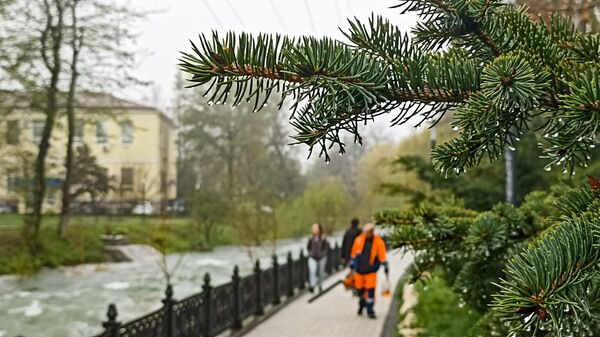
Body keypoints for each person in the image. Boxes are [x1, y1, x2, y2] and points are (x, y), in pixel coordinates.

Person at [350, 223, 388, 319]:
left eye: (369, 231)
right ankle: (362, 304)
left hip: (370, 271)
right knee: (360, 291)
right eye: (366, 232)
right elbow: (354, 255)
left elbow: (382, 256)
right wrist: (352, 265)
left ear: (372, 231)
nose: (367, 233)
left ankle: (370, 310)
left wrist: (383, 266)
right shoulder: (358, 240)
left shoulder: (378, 242)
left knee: (370, 291)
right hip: (359, 271)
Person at [307, 223, 329, 293]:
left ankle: (320, 285)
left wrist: (323, 254)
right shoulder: (311, 238)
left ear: (319, 229)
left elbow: (326, 248)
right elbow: (308, 247)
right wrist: (310, 253)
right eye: (313, 228)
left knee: (321, 272)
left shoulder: (323, 238)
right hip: (312, 257)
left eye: (316, 228)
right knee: (312, 270)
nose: (314, 230)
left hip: (322, 257)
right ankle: (312, 285)